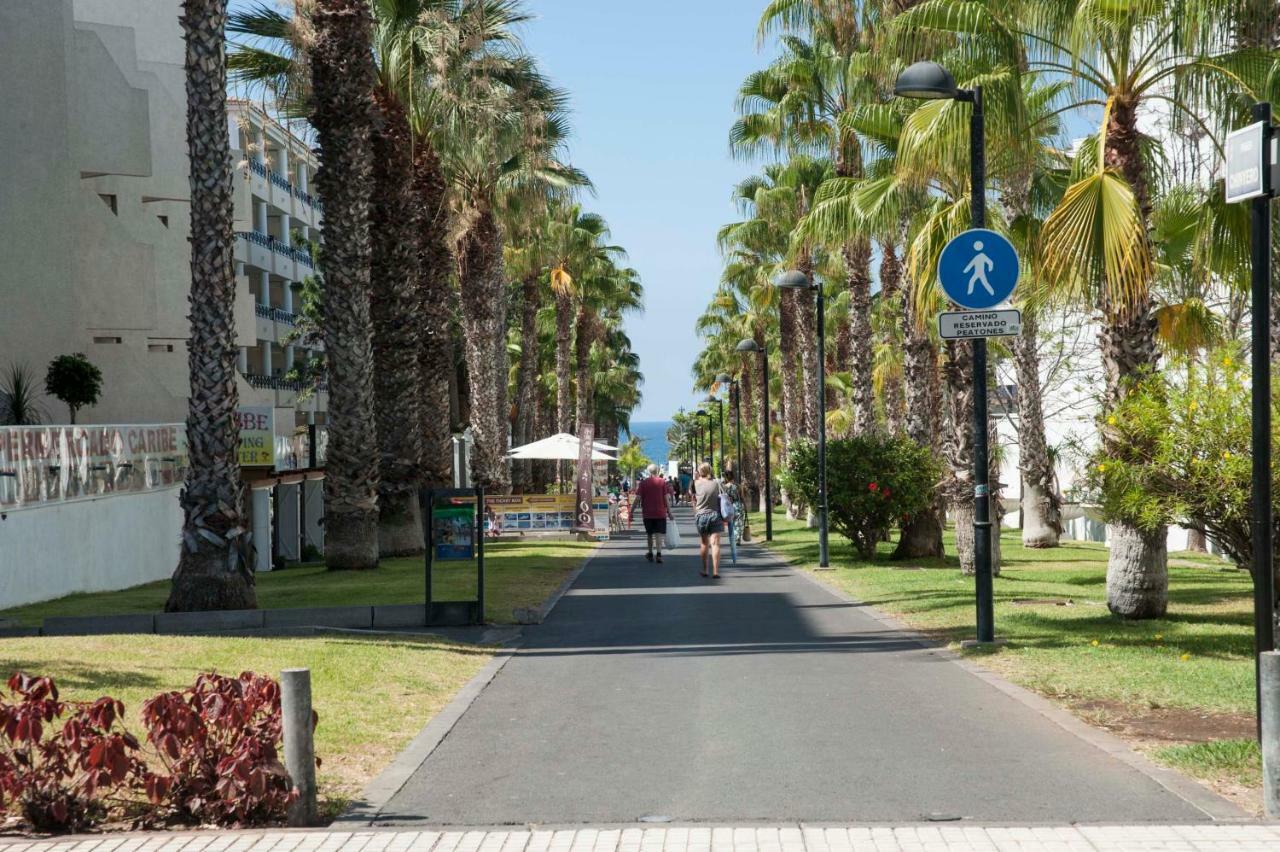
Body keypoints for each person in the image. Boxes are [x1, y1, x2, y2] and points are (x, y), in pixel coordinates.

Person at [632, 464, 673, 563]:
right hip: (660, 512)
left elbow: (637, 498)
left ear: (649, 472)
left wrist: (632, 510)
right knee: (658, 534)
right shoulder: (662, 482)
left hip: (648, 513)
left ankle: (650, 553)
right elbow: (666, 498)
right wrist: (669, 512)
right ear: (657, 471)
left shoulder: (643, 483)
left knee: (649, 534)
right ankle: (658, 554)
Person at [691, 462, 724, 579]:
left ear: (700, 472)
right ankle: (716, 571)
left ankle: (705, 570)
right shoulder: (716, 483)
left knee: (704, 543)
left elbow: (692, 496)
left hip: (701, 516)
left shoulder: (696, 483)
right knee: (715, 544)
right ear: (710, 470)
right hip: (715, 515)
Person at [720, 468, 741, 565]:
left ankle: (733, 538)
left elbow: (723, 497)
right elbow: (742, 496)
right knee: (738, 522)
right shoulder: (737, 486)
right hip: (737, 504)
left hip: (729, 507)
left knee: (731, 524)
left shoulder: (725, 487)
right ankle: (737, 538)